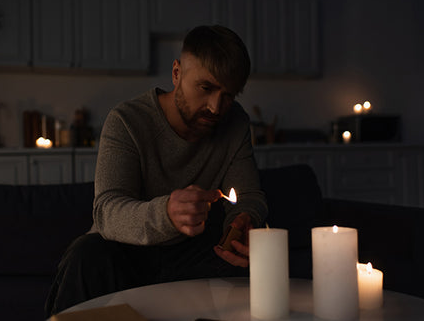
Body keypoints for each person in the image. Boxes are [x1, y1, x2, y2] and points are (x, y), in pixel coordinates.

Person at [45, 25, 268, 317]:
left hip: (195, 252)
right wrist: (167, 214)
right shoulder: (127, 121)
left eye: (228, 95)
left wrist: (244, 223)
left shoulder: (235, 122)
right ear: (177, 73)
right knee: (86, 254)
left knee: (254, 260)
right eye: (206, 88)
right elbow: (106, 213)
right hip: (129, 252)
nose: (216, 107)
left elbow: (250, 196)